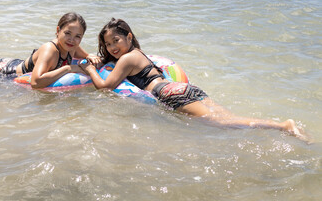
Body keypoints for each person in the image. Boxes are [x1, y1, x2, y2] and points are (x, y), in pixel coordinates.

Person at [79, 18, 308, 140]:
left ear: (129, 36)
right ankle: (280, 128)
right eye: (108, 44)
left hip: (168, 93)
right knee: (230, 118)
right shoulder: (139, 53)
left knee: (223, 124)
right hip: (182, 88)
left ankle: (282, 126)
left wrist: (89, 70)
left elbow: (105, 87)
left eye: (116, 40)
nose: (112, 47)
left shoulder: (127, 59)